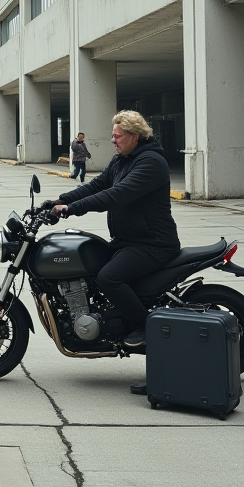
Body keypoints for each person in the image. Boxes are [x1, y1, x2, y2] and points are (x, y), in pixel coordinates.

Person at [48, 110, 179, 348]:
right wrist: (59, 200)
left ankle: (146, 327)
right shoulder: (122, 160)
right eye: (113, 135)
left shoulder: (151, 163)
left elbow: (115, 196)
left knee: (108, 278)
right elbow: (97, 185)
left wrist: (72, 209)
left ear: (134, 136)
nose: (113, 140)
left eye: (118, 136)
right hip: (127, 240)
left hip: (152, 243)